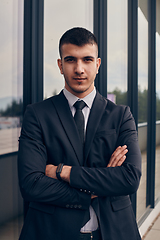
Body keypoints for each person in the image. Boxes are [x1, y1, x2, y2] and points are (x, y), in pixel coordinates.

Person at [18, 27, 142, 240]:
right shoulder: (37, 114)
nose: (79, 69)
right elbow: (31, 184)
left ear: (98, 64)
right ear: (60, 65)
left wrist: (63, 172)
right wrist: (96, 188)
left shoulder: (121, 115)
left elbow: (129, 179)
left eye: (86, 59)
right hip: (51, 232)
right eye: (70, 60)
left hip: (113, 231)